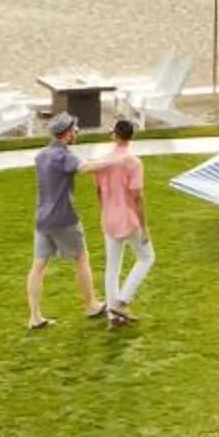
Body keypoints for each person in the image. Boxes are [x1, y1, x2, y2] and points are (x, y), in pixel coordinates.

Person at [27, 113, 97, 329]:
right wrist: (111, 161)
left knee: (38, 266)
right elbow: (84, 168)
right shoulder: (64, 156)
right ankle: (92, 305)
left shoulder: (41, 156)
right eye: (75, 130)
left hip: (42, 219)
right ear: (67, 134)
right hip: (64, 218)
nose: (77, 133)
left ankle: (34, 317)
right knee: (81, 258)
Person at [94, 118, 154, 328]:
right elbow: (137, 196)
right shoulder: (133, 163)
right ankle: (122, 301)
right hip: (129, 218)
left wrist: (105, 210)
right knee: (147, 257)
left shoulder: (102, 162)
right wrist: (145, 226)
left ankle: (113, 316)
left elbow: (99, 192)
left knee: (112, 268)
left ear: (115, 135)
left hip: (109, 218)